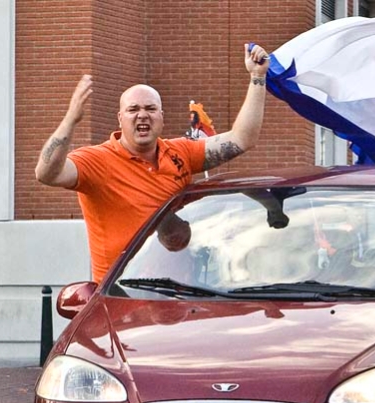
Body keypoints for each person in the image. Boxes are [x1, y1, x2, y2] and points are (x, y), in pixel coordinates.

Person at [34, 43, 270, 284]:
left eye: (150, 108)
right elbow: (46, 174)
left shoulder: (181, 152)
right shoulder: (97, 160)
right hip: (121, 297)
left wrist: (257, 77)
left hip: (182, 291)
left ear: (161, 117)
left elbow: (242, 138)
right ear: (120, 119)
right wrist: (71, 120)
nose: (142, 115)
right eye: (133, 109)